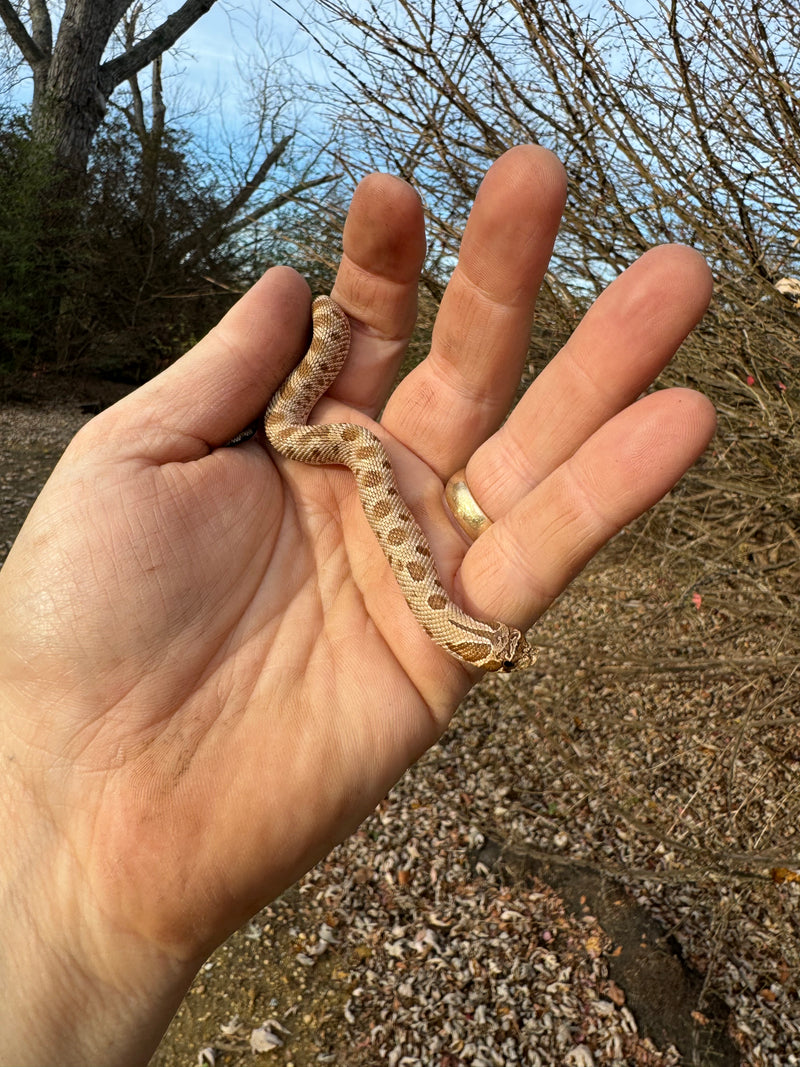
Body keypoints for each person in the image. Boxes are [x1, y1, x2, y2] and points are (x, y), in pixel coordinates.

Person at [0, 145, 715, 1066]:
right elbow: (310, 439)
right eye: (492, 647)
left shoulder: (425, 595)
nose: (502, 654)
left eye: (494, 648)